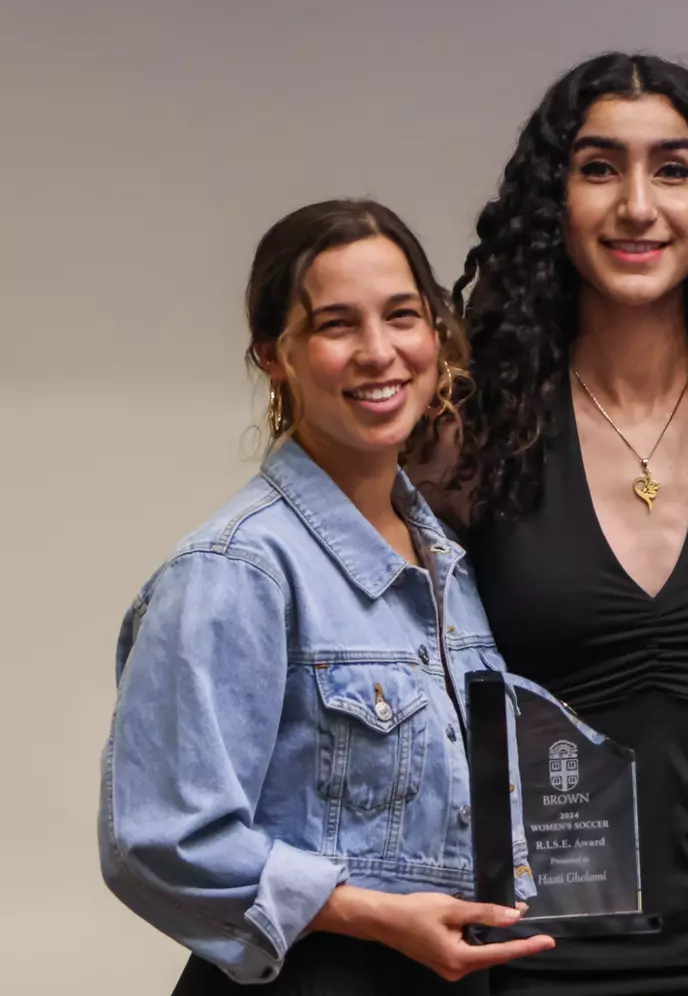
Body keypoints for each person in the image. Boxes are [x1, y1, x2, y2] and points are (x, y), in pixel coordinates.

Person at [426, 52, 688, 995]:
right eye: (597, 168)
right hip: (551, 953)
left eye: (670, 168)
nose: (635, 206)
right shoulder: (469, 431)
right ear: (554, 201)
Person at [99, 200, 554, 993]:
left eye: (401, 316)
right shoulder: (236, 569)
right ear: (275, 357)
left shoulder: (447, 561)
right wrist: (372, 913)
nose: (379, 353)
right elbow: (161, 840)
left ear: (437, 336)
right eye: (337, 325)